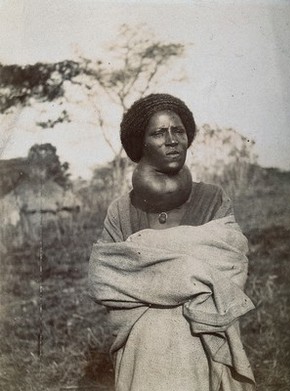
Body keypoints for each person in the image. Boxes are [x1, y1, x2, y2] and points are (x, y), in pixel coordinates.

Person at [88, 93, 256, 391]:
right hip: (140, 333)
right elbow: (105, 278)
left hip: (203, 326)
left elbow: (230, 266)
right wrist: (189, 272)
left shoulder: (213, 198)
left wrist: (152, 276)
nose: (172, 140)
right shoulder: (121, 210)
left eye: (178, 131)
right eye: (158, 133)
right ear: (141, 144)